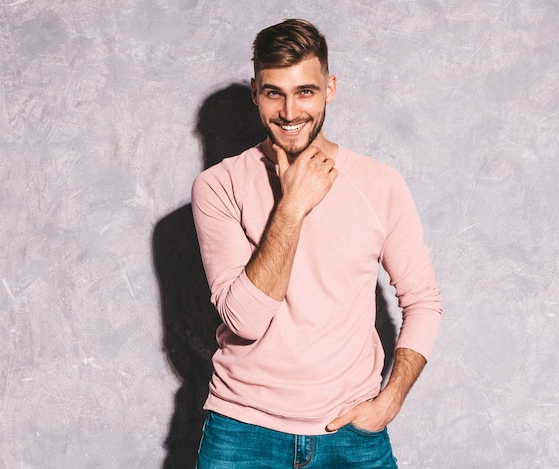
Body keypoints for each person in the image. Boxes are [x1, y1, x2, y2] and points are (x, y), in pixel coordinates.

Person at [191, 18, 442, 468]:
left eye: (305, 91)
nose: (290, 112)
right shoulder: (219, 185)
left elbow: (423, 300)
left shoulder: (379, 184)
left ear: (330, 87)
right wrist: (291, 206)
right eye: (274, 93)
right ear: (255, 91)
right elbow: (244, 320)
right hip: (242, 433)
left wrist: (389, 401)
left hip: (350, 435)